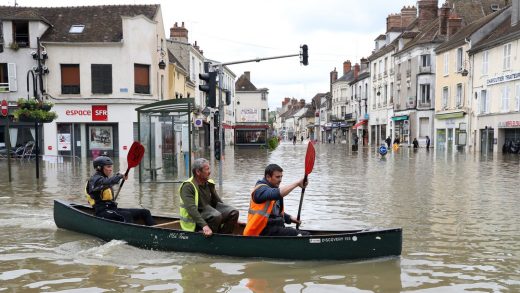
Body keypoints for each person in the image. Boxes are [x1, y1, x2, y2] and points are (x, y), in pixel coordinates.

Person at [243, 164, 310, 236]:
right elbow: (276, 193)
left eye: (281, 177)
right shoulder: (260, 190)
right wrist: (297, 183)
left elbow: (275, 213)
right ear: (268, 177)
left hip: (273, 229)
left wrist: (290, 218)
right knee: (304, 235)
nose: (280, 180)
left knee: (301, 233)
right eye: (277, 177)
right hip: (260, 231)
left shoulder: (273, 188)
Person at [85, 156, 155, 225]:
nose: (111, 169)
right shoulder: (94, 180)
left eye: (111, 166)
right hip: (102, 212)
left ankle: (154, 230)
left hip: (112, 209)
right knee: (126, 215)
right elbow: (107, 182)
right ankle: (132, 234)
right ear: (99, 168)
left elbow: (110, 181)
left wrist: (120, 176)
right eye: (108, 167)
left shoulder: (104, 178)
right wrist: (120, 176)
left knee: (145, 212)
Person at [179, 158, 239, 237]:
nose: (209, 172)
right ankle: (206, 236)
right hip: (195, 219)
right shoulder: (188, 186)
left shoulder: (209, 183)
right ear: (198, 172)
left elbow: (219, 202)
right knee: (216, 216)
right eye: (207, 169)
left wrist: (230, 217)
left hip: (209, 213)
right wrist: (204, 225)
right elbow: (191, 209)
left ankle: (223, 237)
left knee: (233, 212)